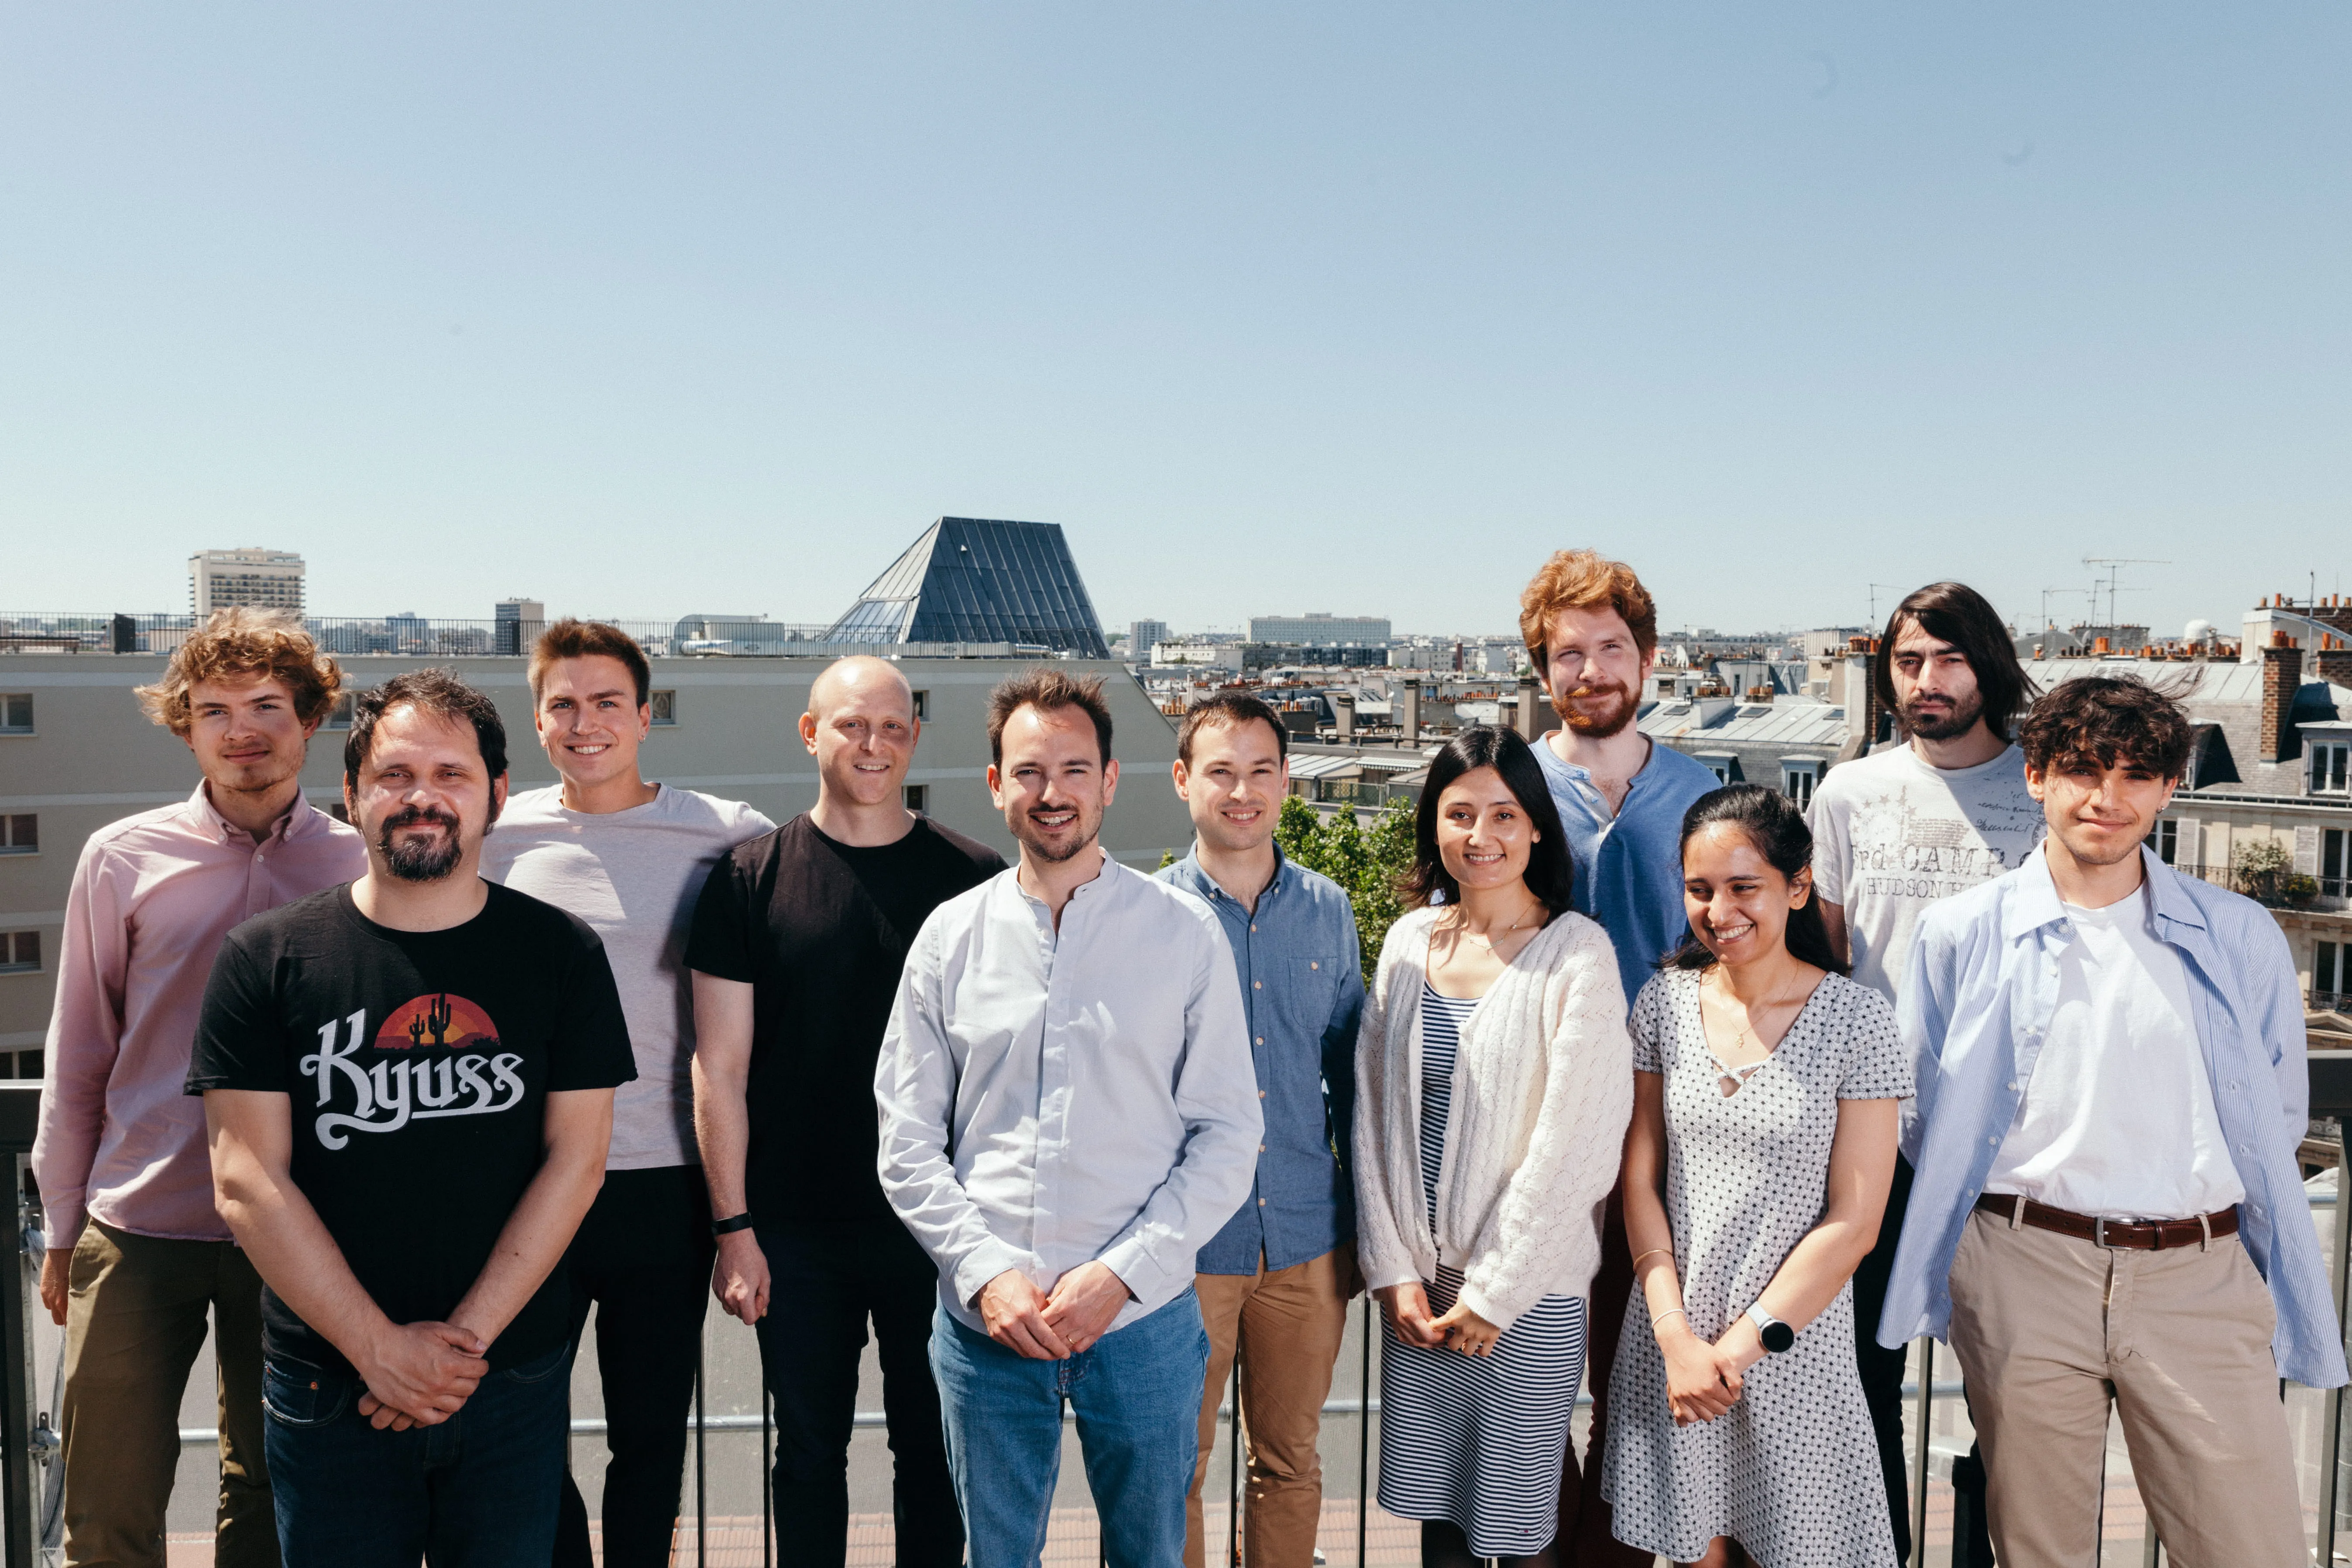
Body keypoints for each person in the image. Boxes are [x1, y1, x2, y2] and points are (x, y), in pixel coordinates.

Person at [1881, 676, 2348, 1568]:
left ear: (2170, 787)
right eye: (2084, 769)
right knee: (2039, 1552)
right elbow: (1921, 1109)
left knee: (2252, 1549)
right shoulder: (1960, 931)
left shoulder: (2238, 932)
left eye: (2137, 773)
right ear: (2036, 777)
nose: (2109, 796)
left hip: (2199, 1275)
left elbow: (2280, 1107)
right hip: (2023, 1269)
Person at [188, 669, 637, 1565]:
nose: (421, 796)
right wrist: (378, 1350)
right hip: (328, 1383)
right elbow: (246, 1179)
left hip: (508, 1372)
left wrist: (455, 1350)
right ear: (352, 794)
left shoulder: (562, 953)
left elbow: (578, 1161)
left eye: (451, 774)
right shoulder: (264, 958)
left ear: (496, 794)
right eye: (394, 775)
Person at [875, 669, 1262, 1568]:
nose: (1053, 792)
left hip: (1143, 1323)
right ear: (995, 785)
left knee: (1150, 1555)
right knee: (997, 1557)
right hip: (988, 1326)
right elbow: (905, 1138)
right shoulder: (949, 937)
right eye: (1030, 771)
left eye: (1075, 769)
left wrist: (1122, 1275)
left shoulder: (1182, 932)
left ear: (1111, 780)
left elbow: (1228, 1133)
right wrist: (985, 1274)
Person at [33, 609, 364, 1568]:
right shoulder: (120, 857)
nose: (241, 730)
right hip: (139, 1225)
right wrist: (62, 1227)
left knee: (272, 1494)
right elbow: (80, 1050)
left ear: (311, 719)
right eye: (214, 710)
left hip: (299, 1228)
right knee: (106, 1500)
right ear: (186, 727)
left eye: (266, 705)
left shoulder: (358, 863)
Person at [687, 655, 999, 1567]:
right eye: (852, 724)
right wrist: (734, 1229)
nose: (874, 744)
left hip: (936, 1226)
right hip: (793, 1232)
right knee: (809, 1453)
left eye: (893, 726)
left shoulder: (973, 879)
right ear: (810, 732)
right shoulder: (748, 878)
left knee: (934, 1455)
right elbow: (719, 1067)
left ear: (914, 738)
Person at [479, 620, 775, 1568]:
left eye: (608, 702)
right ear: (538, 721)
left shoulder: (727, 834)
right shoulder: (495, 835)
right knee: (521, 1421)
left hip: (665, 1182)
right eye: (563, 705)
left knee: (649, 1434)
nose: (586, 723)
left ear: (646, 717)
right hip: (532, 1180)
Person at [1601, 786, 1909, 1568]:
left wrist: (1734, 1354)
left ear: (1797, 888)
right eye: (1700, 889)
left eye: (1745, 887)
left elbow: (1855, 1222)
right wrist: (1676, 1339)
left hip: (1792, 1346)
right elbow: (1640, 1181)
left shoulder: (1859, 1021)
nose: (1720, 911)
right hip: (1675, 1339)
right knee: (1696, 1559)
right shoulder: (1663, 1003)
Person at [1354, 725, 1634, 1568]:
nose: (1482, 836)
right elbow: (1372, 1120)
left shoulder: (1577, 955)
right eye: (1460, 814)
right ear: (1433, 825)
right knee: (1440, 1525)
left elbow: (1578, 1147)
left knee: (1518, 1529)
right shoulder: (1410, 942)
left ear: (1538, 827)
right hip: (1422, 1292)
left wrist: (1496, 1293)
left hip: (1527, 1293)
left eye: (1505, 815)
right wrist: (1391, 1268)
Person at [1806, 580, 2038, 1564]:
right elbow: (1827, 958)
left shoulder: (2048, 787)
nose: (1927, 680)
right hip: (1878, 1134)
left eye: (1949, 659)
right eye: (1908, 662)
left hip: (2013, 1139)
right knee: (1864, 1374)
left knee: (2016, 1386)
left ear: (1988, 666)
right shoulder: (1848, 793)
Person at [1516, 549, 1718, 1567]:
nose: (1590, 670)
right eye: (1568, 653)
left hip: (1662, 1126)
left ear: (1647, 658)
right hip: (1531, 1122)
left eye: (1610, 648)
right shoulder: (1511, 784)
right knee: (1525, 1373)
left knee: (1636, 1379)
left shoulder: (1700, 791)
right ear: (1540, 669)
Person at [1157, 693, 1365, 1568]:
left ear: (1286, 781)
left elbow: (1353, 1081)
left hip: (1307, 1239)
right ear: (1183, 780)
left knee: (1291, 1462)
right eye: (1221, 772)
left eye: (1260, 771)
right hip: (1187, 1246)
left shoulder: (1329, 910)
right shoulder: (1147, 915)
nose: (1242, 792)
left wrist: (1367, 1231)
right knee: (1174, 1466)